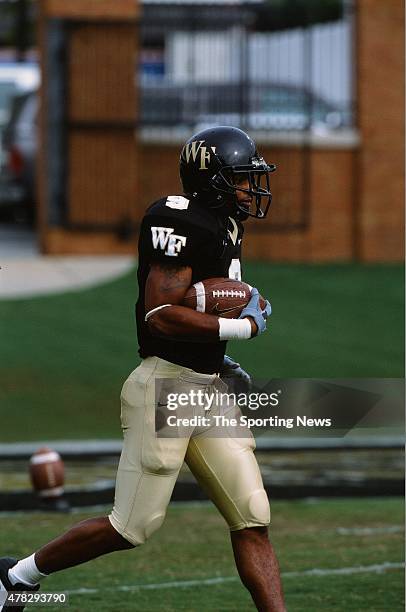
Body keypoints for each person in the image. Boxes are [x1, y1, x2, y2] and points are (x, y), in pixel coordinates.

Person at [0, 126, 285, 612]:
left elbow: (203, 303)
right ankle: (16, 578)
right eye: (239, 178)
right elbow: (161, 313)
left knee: (252, 516)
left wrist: (219, 359)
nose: (249, 188)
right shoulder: (179, 222)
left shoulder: (225, 224)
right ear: (212, 180)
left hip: (205, 386)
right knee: (131, 527)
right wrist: (241, 331)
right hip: (165, 388)